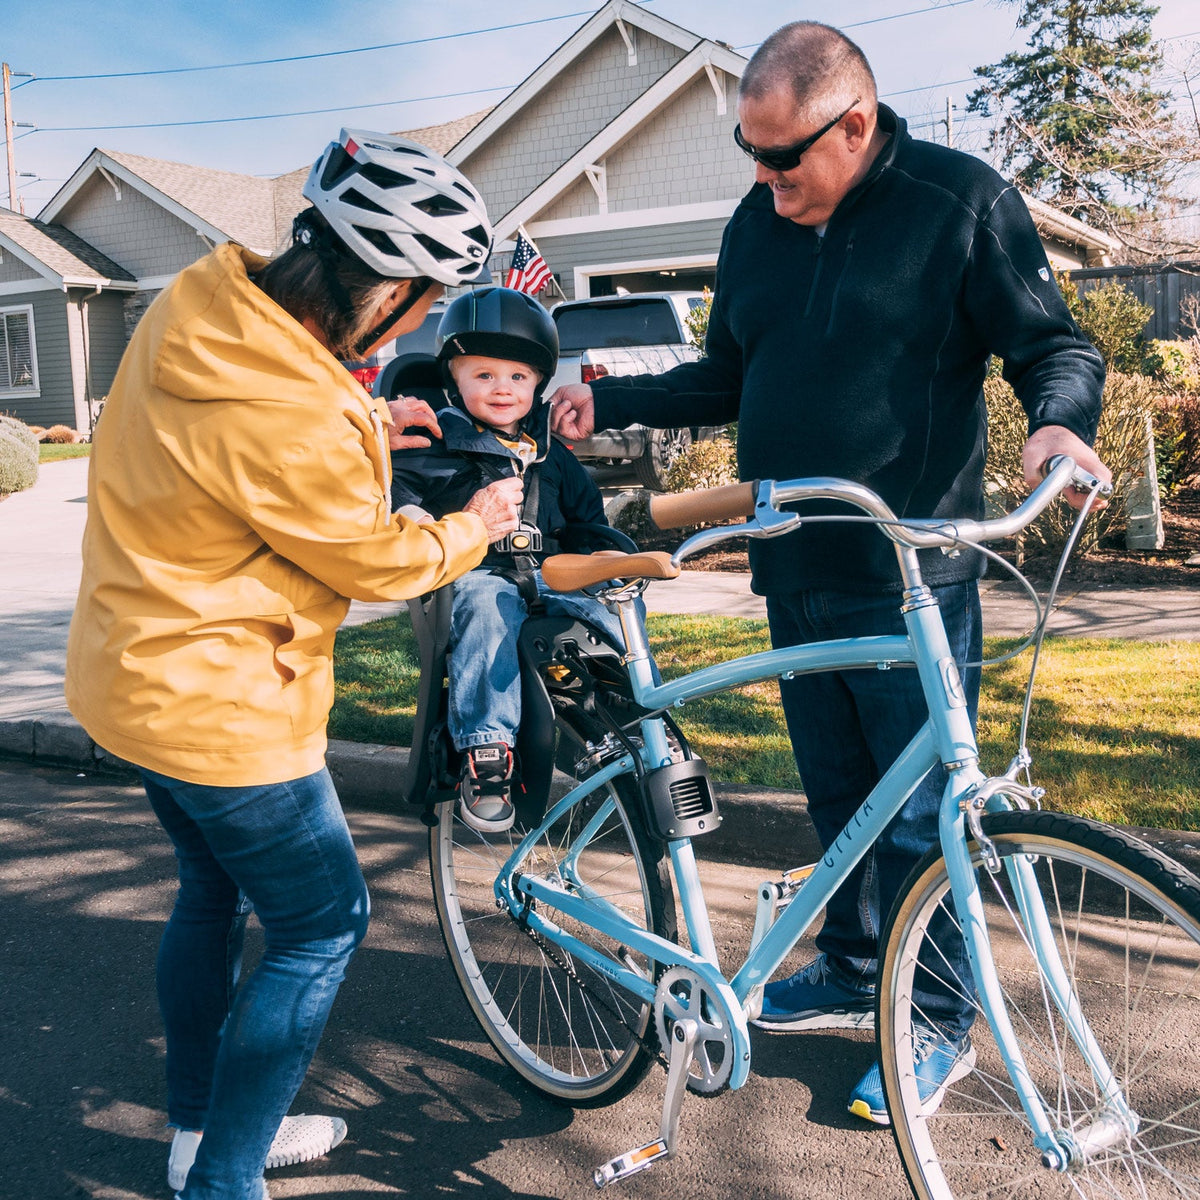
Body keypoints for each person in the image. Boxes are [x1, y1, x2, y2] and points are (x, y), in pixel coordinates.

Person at [552, 22, 1112, 1125]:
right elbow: (726, 377)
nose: (763, 181)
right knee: (841, 800)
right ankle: (857, 967)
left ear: (854, 125)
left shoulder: (956, 202)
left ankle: (937, 1014)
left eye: (783, 157)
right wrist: (606, 401)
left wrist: (1058, 427)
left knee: (926, 817)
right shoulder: (757, 226)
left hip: (914, 574)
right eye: (749, 156)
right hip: (789, 564)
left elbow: (1056, 346)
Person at [64, 129, 523, 1200]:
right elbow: (372, 559)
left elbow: (265, 420)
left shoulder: (199, 304)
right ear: (395, 291)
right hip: (222, 707)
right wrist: (477, 522)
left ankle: (197, 1134)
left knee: (211, 896)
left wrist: (371, 415)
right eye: (429, 303)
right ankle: (220, 1182)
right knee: (323, 922)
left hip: (133, 676)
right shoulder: (295, 412)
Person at [389, 285, 632, 833]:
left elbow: (588, 520)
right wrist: (415, 517)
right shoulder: (433, 445)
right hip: (478, 575)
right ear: (454, 378)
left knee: (617, 602)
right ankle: (487, 751)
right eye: (484, 375)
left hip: (552, 575)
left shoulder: (552, 453)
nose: (503, 389)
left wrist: (610, 557)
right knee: (484, 603)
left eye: (518, 377)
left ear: (539, 384)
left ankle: (633, 715)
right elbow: (398, 492)